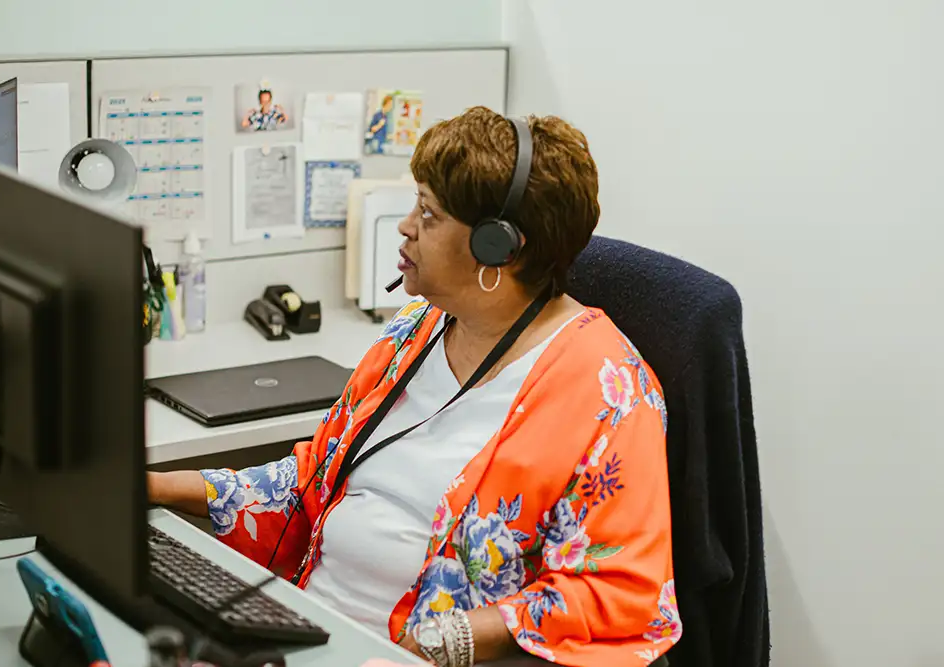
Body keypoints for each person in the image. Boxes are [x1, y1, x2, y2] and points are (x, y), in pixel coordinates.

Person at [149, 107, 680, 667]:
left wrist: (451, 640)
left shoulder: (610, 391)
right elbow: (311, 482)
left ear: (498, 248)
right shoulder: (415, 329)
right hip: (311, 633)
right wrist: (157, 487)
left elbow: (621, 593)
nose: (405, 225)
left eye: (428, 213)